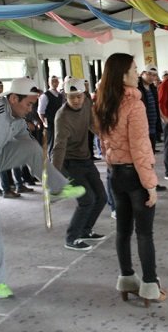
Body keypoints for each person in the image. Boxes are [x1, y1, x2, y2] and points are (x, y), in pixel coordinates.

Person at [0, 78, 86, 299]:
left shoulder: (17, 117)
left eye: (33, 104)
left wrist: (32, 139)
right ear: (13, 98)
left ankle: (57, 188)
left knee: (31, 146)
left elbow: (24, 140)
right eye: (28, 104)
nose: (30, 109)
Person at [93, 53, 167, 307]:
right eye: (134, 70)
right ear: (123, 75)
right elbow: (140, 148)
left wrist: (112, 165)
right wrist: (150, 184)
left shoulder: (103, 102)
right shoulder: (134, 105)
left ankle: (127, 279)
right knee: (144, 233)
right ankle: (150, 285)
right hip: (135, 176)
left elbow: (103, 143)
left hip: (115, 174)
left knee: (123, 231)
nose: (137, 74)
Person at [51, 78, 107, 251]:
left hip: (85, 159)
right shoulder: (62, 117)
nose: (76, 100)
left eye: (79, 96)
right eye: (71, 97)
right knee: (87, 200)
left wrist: (104, 137)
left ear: (84, 95)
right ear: (65, 96)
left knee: (101, 197)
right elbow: (59, 147)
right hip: (69, 162)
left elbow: (91, 124)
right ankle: (71, 238)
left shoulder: (87, 103)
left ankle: (85, 230)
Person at [38, 75, 65, 155]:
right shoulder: (45, 96)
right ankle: (51, 160)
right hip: (50, 123)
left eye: (56, 81)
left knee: (60, 142)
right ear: (49, 83)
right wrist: (44, 122)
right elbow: (40, 111)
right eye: (52, 81)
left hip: (59, 122)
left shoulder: (60, 95)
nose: (54, 83)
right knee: (52, 144)